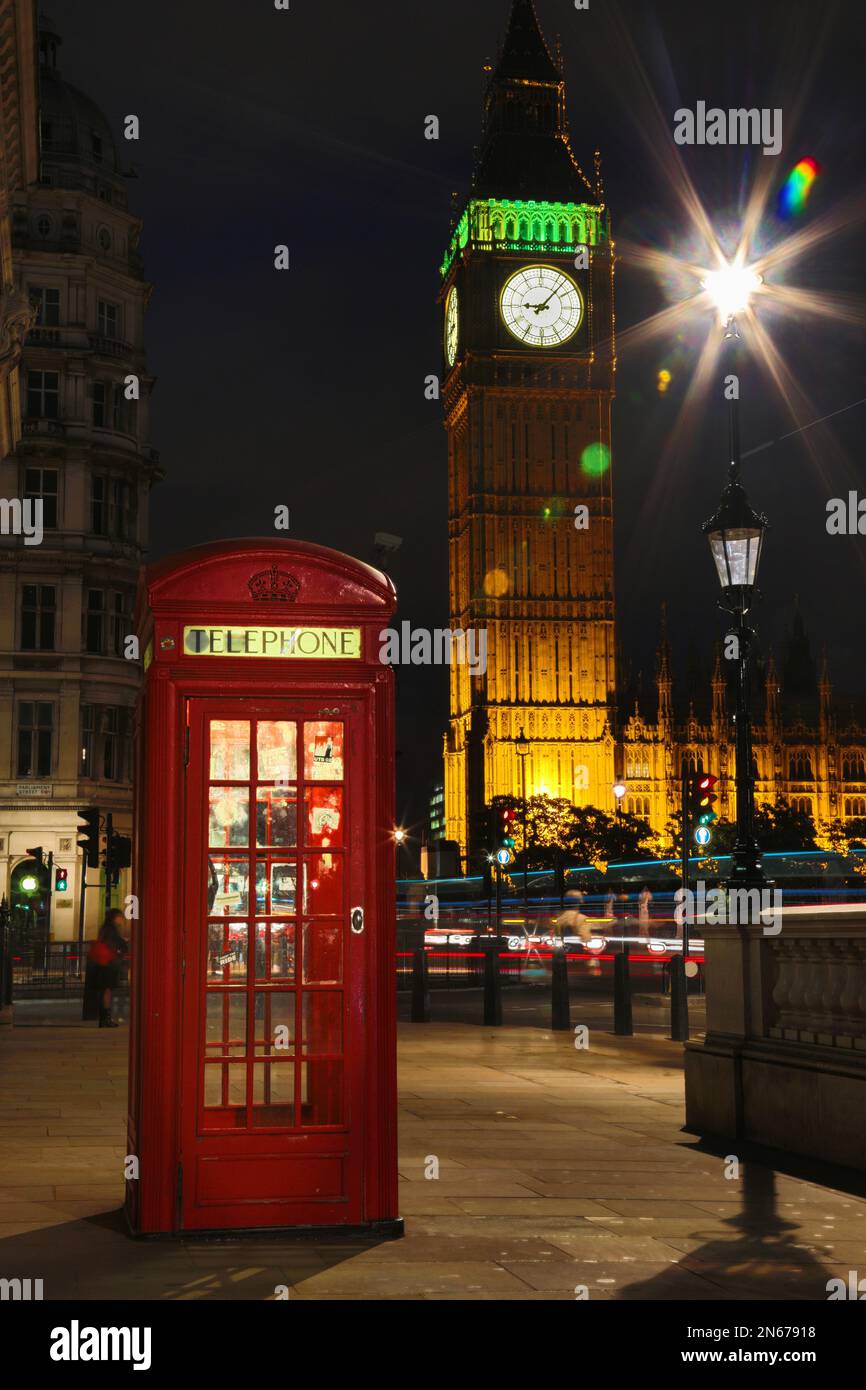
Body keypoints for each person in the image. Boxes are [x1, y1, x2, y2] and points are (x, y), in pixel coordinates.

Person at [83, 909, 128, 1028]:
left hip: (102, 963)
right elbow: (117, 944)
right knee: (107, 991)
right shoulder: (112, 930)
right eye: (120, 916)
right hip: (108, 964)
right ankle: (105, 1019)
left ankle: (104, 1019)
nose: (122, 919)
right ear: (114, 918)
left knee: (105, 991)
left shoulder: (105, 929)